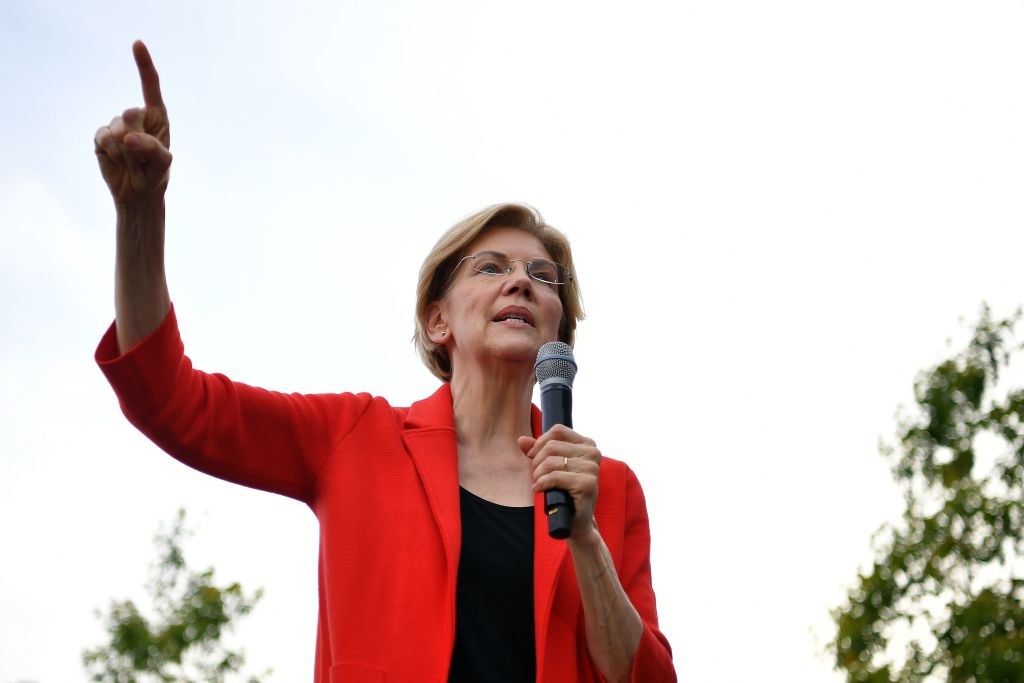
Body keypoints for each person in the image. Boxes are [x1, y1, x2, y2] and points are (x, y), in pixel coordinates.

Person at [93, 40, 676, 683]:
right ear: (437, 320)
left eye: (543, 276)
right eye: (492, 268)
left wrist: (587, 540)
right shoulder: (356, 439)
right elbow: (171, 401)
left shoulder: (608, 488)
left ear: (559, 325)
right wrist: (139, 215)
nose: (523, 283)